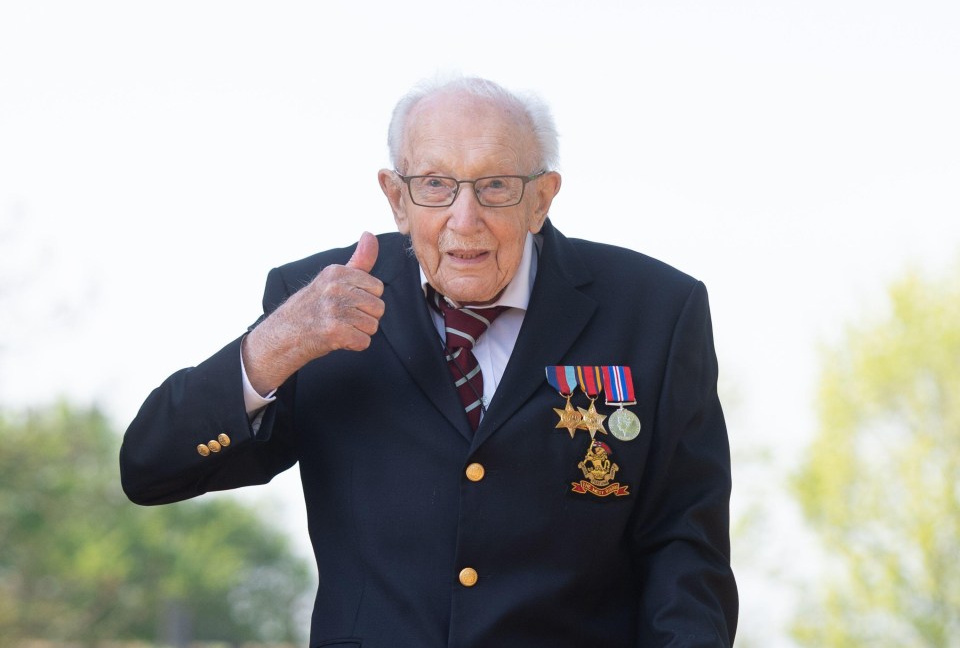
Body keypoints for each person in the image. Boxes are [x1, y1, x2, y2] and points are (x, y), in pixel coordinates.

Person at [120, 76, 738, 648]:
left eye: (495, 186)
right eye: (435, 185)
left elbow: (684, 547)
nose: (463, 220)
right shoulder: (318, 300)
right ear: (396, 197)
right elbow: (150, 468)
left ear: (541, 197)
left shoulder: (656, 311)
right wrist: (274, 346)